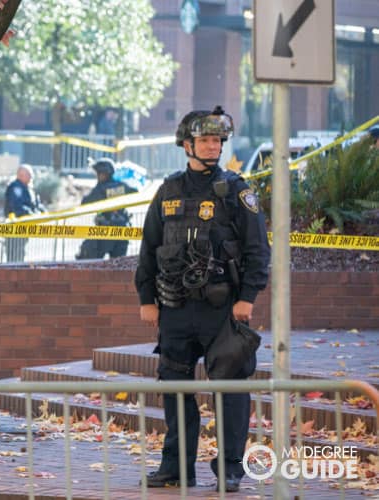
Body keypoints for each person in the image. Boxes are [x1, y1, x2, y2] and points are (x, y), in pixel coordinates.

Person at [134, 105, 270, 492]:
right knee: (175, 391)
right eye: (205, 140)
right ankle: (176, 467)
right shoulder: (169, 191)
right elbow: (149, 248)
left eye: (217, 141)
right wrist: (147, 298)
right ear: (187, 144)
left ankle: (229, 469)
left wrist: (247, 297)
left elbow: (258, 250)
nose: (213, 147)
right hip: (175, 310)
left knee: (229, 391)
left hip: (222, 310)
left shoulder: (236, 191)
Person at [76, 158, 135, 260]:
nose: (98, 176)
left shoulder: (101, 188)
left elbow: (85, 202)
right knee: (119, 265)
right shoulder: (122, 185)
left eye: (99, 173)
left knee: (88, 260)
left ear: (105, 173)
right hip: (123, 231)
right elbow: (135, 191)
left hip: (105, 232)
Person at [3, 164, 45, 262]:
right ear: (21, 175)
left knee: (20, 256)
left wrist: (43, 213)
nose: (32, 177)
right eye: (29, 174)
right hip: (14, 229)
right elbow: (18, 208)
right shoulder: (15, 188)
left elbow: (37, 205)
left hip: (23, 229)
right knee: (14, 258)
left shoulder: (28, 188)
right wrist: (34, 215)